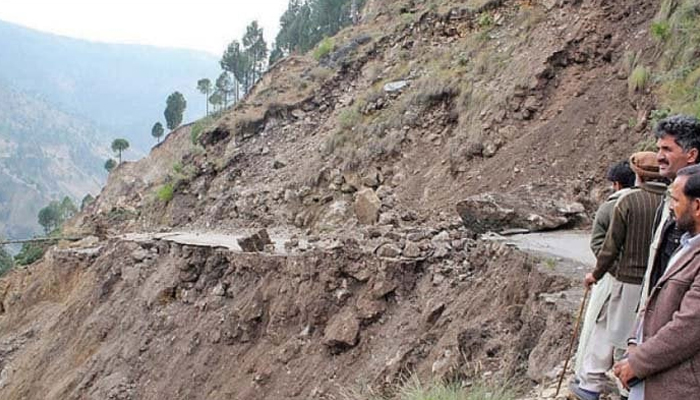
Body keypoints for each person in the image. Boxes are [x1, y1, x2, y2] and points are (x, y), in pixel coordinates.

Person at [570, 152, 666, 400]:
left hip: (627, 280)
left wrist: (596, 274)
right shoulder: (671, 201)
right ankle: (631, 387)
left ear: (638, 175)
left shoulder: (626, 202)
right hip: (660, 283)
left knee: (611, 331)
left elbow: (608, 247)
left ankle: (597, 385)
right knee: (643, 335)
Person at [614, 164, 700, 399]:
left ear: (698, 206)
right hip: (651, 372)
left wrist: (638, 361)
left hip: (677, 384)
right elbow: (654, 300)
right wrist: (634, 342)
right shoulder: (686, 244)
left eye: (675, 200)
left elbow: (689, 326)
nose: (671, 207)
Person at [574, 161, 636, 376]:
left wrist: (603, 272)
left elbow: (600, 246)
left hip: (612, 277)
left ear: (617, 184)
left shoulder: (610, 207)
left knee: (599, 325)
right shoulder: (652, 203)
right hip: (642, 279)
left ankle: (589, 378)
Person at [640, 115, 700, 306]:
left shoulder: (691, 203)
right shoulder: (670, 196)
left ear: (691, 155)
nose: (658, 157)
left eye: (667, 149)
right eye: (658, 148)